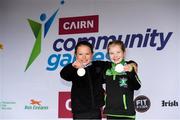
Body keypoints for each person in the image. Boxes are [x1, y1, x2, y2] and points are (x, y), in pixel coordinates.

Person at [60, 41, 137, 119]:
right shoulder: (73, 68)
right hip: (79, 112)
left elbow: (117, 63)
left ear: (92, 54)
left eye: (87, 54)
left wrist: (132, 64)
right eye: (80, 54)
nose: (84, 57)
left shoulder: (99, 65)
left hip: (96, 111)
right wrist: (72, 66)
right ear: (75, 55)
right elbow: (64, 74)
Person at [103, 40, 141, 120]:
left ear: (124, 53)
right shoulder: (107, 69)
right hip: (111, 113)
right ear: (108, 55)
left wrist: (131, 71)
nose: (115, 56)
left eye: (118, 52)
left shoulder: (129, 67)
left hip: (127, 114)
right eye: (112, 53)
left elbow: (137, 86)